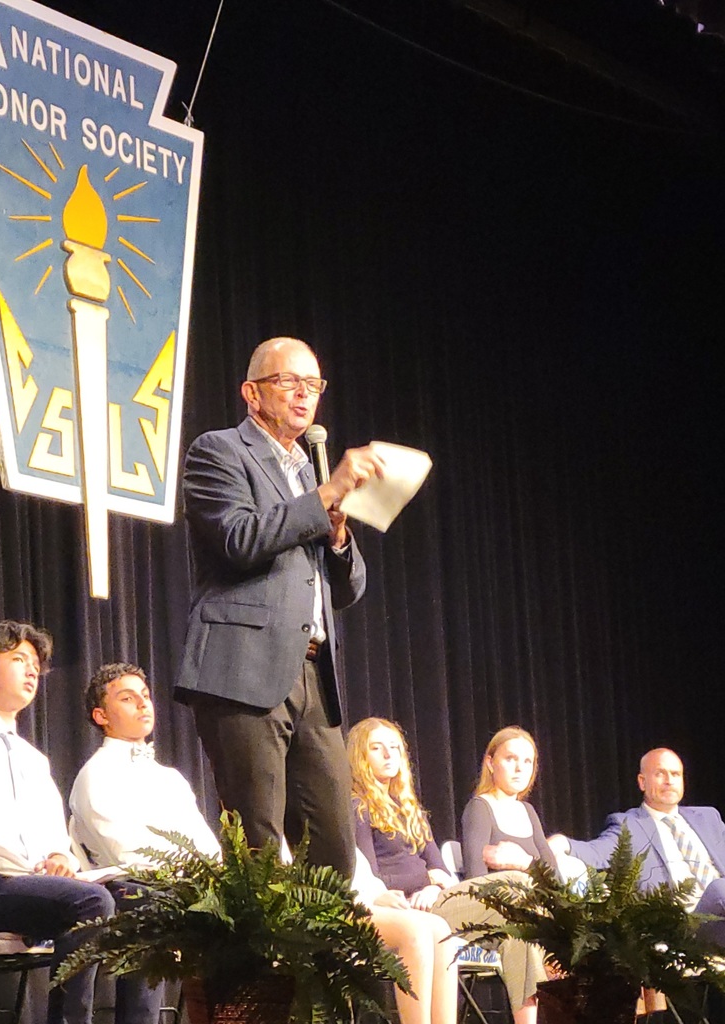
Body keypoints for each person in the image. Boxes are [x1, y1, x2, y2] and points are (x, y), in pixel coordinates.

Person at [175, 336, 384, 876]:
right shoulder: (217, 452)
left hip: (315, 674)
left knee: (334, 854)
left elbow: (349, 588)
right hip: (243, 667)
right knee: (259, 848)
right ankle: (256, 964)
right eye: (288, 381)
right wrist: (324, 497)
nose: (304, 394)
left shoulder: (311, 475)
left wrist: (337, 537)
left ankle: (323, 963)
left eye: (313, 384)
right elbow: (238, 539)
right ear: (252, 392)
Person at [0, 621, 162, 1024]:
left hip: (24, 883)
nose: (31, 671)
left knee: (143, 901)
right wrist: (40, 869)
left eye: (35, 664)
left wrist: (57, 856)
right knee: (89, 901)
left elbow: (52, 833)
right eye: (18, 660)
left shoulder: (34, 758)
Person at [433, 726, 554, 1024]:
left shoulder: (528, 812)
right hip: (480, 917)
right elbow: (476, 881)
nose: (519, 768)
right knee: (521, 887)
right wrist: (524, 873)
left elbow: (556, 883)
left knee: (525, 938)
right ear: (490, 763)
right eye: (511, 758)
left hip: (521, 925)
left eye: (528, 761)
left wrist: (524, 861)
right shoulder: (480, 807)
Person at [548, 746, 725, 947]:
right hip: (684, 927)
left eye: (675, 774)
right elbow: (596, 852)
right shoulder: (629, 825)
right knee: (720, 888)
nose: (669, 780)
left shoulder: (708, 817)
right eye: (660, 773)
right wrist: (563, 843)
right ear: (642, 782)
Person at [347, 717, 458, 1024]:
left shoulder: (409, 808)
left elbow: (439, 867)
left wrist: (433, 887)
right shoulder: (357, 806)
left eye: (394, 748)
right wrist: (424, 879)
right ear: (360, 756)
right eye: (377, 748)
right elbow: (369, 875)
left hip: (419, 903)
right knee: (421, 930)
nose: (388, 755)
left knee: (442, 931)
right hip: (381, 904)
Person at [70, 662, 221, 870]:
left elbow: (209, 850)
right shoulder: (97, 775)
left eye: (145, 695)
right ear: (101, 716)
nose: (142, 704)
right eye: (127, 698)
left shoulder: (171, 778)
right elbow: (129, 856)